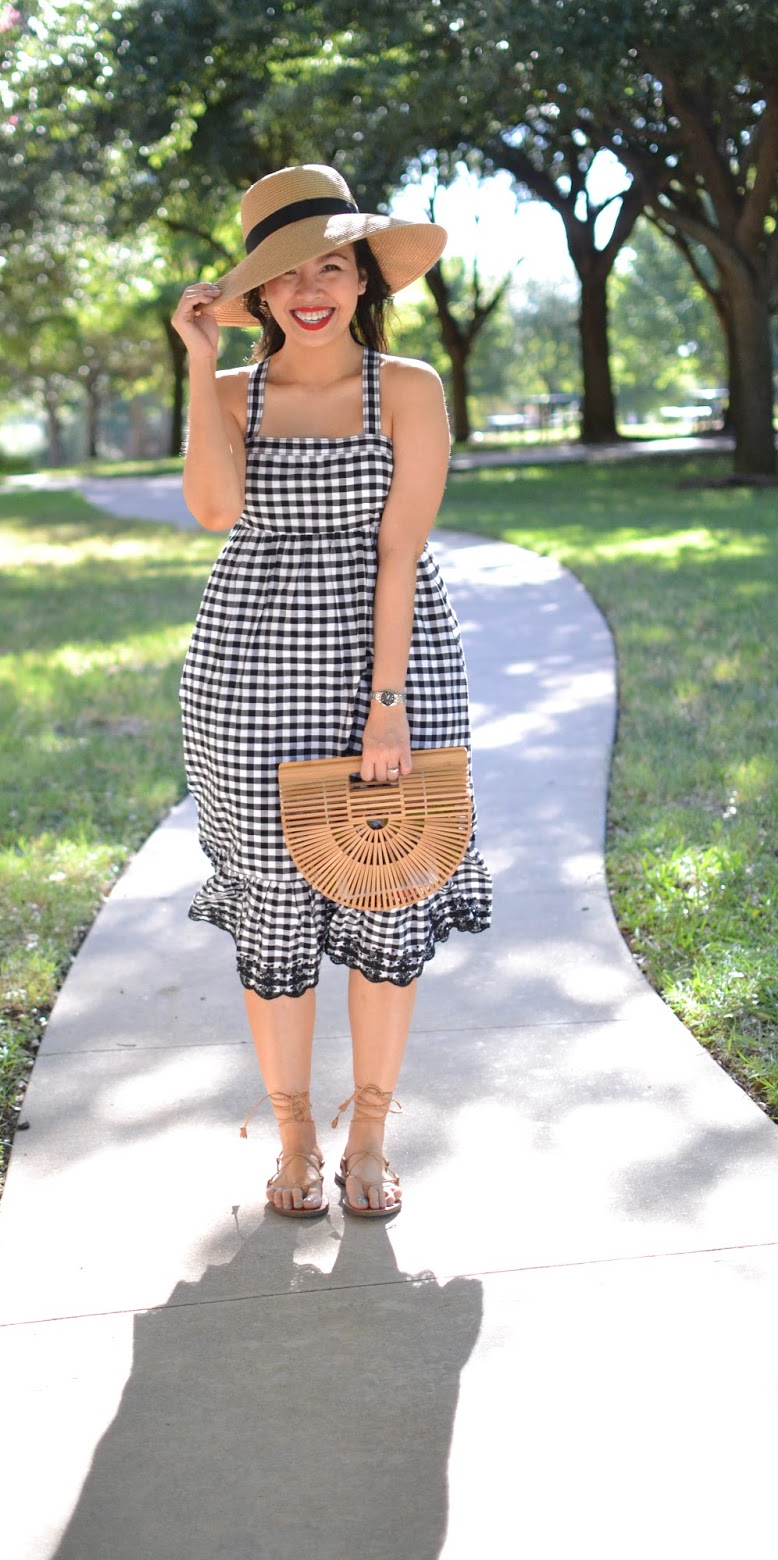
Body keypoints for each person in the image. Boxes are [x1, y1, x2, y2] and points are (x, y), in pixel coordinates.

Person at [172, 164, 492, 1221]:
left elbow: (401, 549)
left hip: (389, 667)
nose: (309, 290)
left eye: (332, 268)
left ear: (363, 281)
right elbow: (213, 511)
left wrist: (386, 703)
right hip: (248, 675)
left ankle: (370, 1140)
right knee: (273, 909)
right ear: (258, 293)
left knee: (388, 892)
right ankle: (295, 1142)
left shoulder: (409, 388)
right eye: (285, 274)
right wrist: (198, 366)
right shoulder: (232, 393)